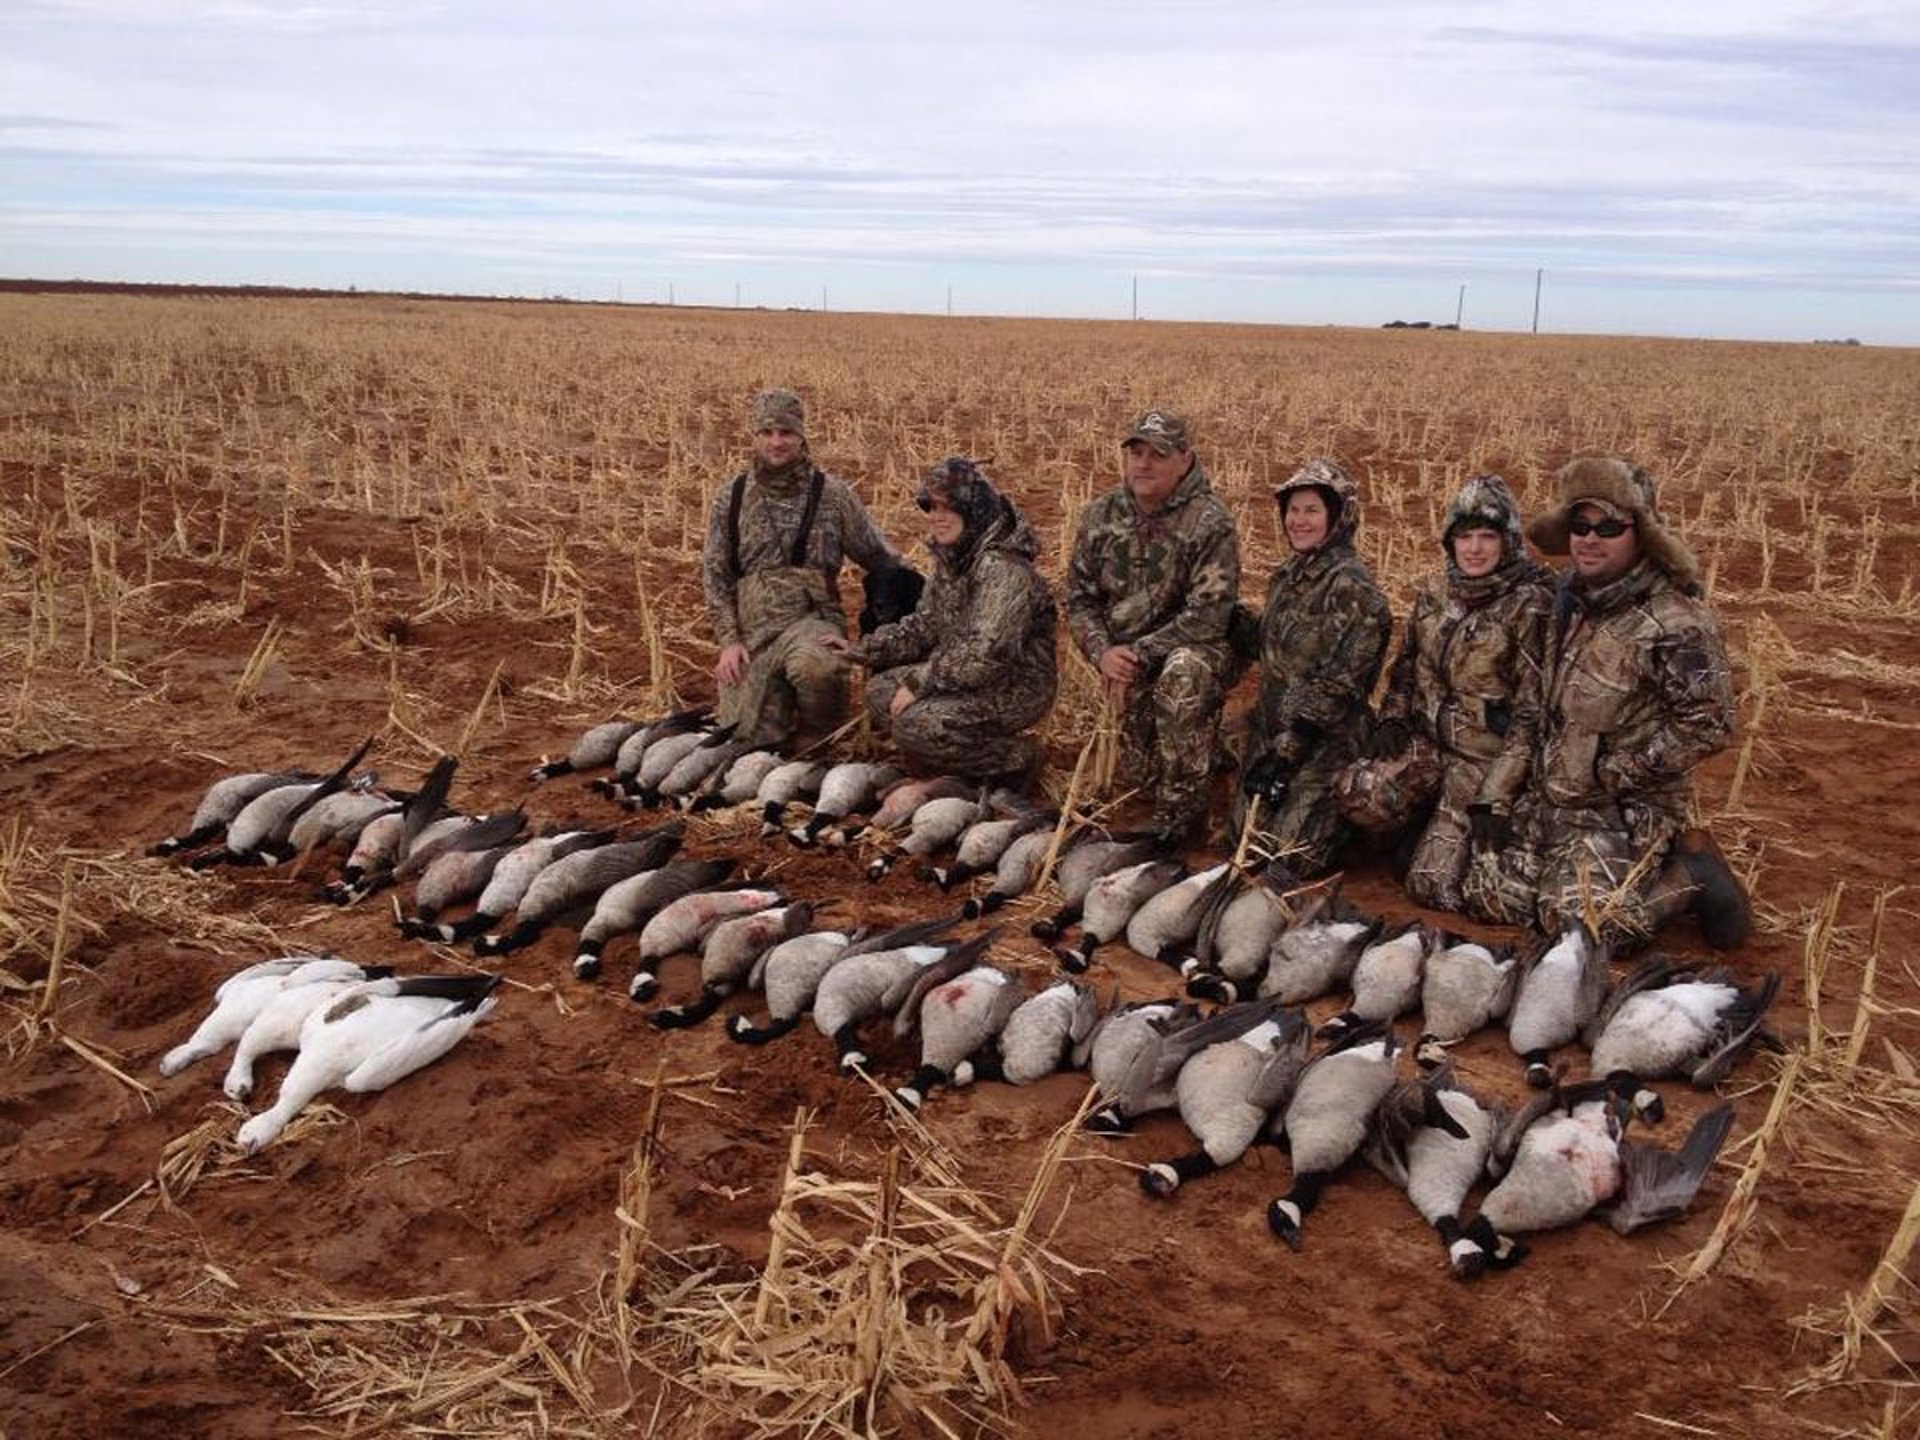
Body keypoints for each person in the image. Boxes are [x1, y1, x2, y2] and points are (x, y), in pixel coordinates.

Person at [1486, 455, 1749, 949]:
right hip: (1557, 796)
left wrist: (1613, 771)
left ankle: (1691, 874)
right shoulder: (1565, 601)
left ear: (1642, 534)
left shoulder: (1676, 621)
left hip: (1626, 808)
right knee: (1489, 898)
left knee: (1587, 930)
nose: (1589, 538)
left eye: (1608, 526)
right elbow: (1535, 703)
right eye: (1580, 525)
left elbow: (1711, 724)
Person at [1333, 474, 1553, 912]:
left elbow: (1533, 716)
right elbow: (1407, 669)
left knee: (1435, 889)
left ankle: (1466, 840)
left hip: (1484, 760)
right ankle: (1421, 825)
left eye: (1487, 536)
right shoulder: (1435, 593)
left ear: (1507, 541)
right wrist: (1394, 717)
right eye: (1464, 536)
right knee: (1359, 789)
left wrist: (1497, 794)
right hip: (1431, 745)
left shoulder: (1530, 604)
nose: (1474, 548)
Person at [1065, 410, 1242, 843]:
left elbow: (1208, 617)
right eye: (1136, 452)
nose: (1143, 464)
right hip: (1128, 659)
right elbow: (1079, 601)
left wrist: (1139, 656)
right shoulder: (1100, 516)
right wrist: (1104, 653)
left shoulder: (1209, 522)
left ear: (1185, 460)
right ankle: (1219, 749)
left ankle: (1183, 818)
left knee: (1183, 673)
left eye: (1158, 454)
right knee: (1143, 772)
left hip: (1198, 650)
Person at [827, 457, 1057, 784]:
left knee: (916, 725)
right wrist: (860, 650)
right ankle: (949, 766)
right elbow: (924, 626)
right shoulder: (952, 561)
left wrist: (921, 681)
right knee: (881, 693)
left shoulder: (1004, 570)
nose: (936, 517)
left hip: (1015, 683)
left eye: (947, 507)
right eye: (930, 507)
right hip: (965, 675)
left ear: (972, 509)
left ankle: (1017, 759)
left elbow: (985, 654)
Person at [701, 389, 905, 749]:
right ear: (755, 437)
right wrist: (729, 642)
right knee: (744, 738)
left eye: (786, 433)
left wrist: (887, 630)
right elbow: (716, 575)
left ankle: (818, 738)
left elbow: (882, 560)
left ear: (801, 436)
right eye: (767, 433)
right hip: (753, 634)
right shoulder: (730, 496)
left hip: (811, 623)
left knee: (818, 666)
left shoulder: (833, 495)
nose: (777, 442)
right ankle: (774, 714)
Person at [1233, 459, 1391, 874]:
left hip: (1324, 740)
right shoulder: (1286, 577)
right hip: (1274, 735)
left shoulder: (1353, 589)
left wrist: (1286, 755)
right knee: (1244, 843)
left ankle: (1348, 824)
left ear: (1337, 518)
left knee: (1285, 858)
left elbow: (1342, 686)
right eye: (1293, 510)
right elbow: (1276, 652)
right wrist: (1232, 621)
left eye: (1312, 511)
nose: (1298, 521)